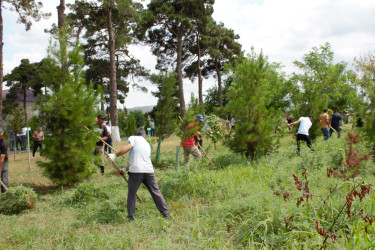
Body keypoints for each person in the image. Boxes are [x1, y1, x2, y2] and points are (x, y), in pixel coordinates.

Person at [107, 128, 170, 220]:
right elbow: (139, 161)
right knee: (156, 192)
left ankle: (131, 217)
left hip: (136, 172)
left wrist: (114, 155)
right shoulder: (147, 144)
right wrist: (124, 169)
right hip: (148, 171)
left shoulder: (133, 138)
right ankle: (166, 213)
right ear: (144, 136)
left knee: (132, 194)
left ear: (136, 135)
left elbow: (128, 147)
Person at [0, 127, 9, 193]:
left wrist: (0, 172)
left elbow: (2, 160)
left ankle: (6, 196)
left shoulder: (4, 143)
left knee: (4, 180)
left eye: (1, 133)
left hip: (3, 162)